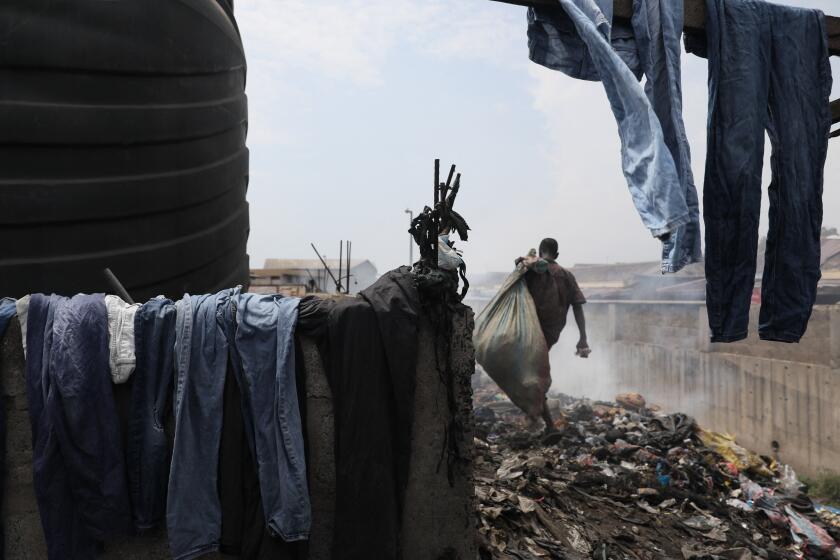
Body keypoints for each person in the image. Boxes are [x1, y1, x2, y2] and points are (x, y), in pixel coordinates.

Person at [516, 238, 590, 431]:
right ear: (556, 255)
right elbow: (578, 308)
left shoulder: (533, 271)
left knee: (533, 375)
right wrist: (582, 338)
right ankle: (538, 418)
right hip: (551, 334)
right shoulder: (567, 275)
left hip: (532, 331)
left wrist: (522, 262)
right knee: (535, 372)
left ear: (540, 253)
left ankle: (547, 424)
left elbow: (515, 282)